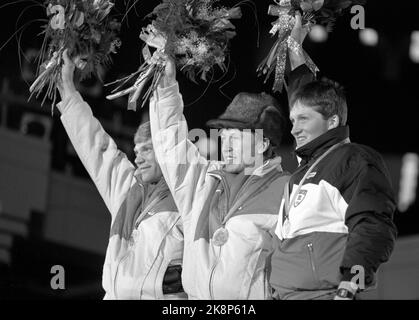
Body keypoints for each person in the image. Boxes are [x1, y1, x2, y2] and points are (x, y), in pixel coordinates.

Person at [270, 20, 398, 299]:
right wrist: (294, 46)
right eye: (292, 120)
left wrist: (351, 283)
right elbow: (302, 95)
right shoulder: (303, 171)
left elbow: (373, 224)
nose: (294, 128)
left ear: (333, 121)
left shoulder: (353, 159)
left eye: (303, 120)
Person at [55, 50, 185, 300]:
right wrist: (68, 91)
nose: (138, 156)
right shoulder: (128, 190)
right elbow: (96, 147)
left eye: (146, 149)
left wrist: (167, 86)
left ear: (166, 151)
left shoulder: (187, 196)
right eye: (136, 150)